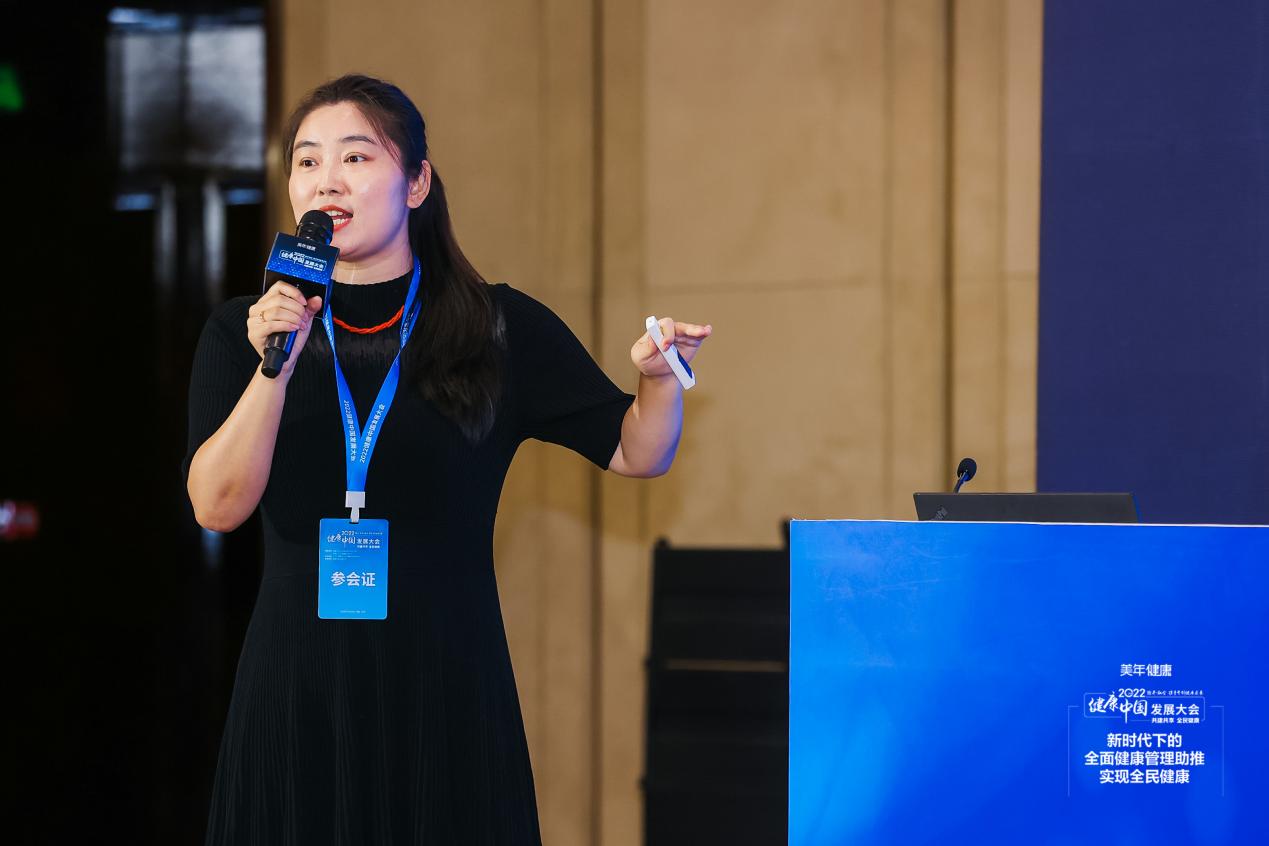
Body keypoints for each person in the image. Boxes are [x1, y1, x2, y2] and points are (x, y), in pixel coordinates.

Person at [182, 73, 710, 844]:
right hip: (296, 688)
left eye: (355, 157)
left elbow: (635, 449)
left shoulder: (493, 327)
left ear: (417, 182)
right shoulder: (245, 332)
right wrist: (276, 369)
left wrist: (658, 382)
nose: (326, 180)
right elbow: (216, 506)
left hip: (446, 682)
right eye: (306, 161)